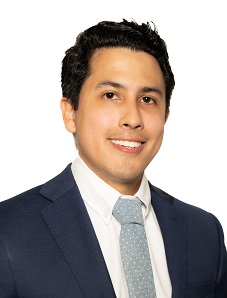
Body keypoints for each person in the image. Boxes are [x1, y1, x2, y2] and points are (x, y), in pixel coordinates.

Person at [0, 19, 226, 298]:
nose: (132, 118)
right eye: (111, 95)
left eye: (147, 99)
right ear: (70, 113)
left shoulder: (205, 233)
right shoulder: (8, 231)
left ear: (165, 116)